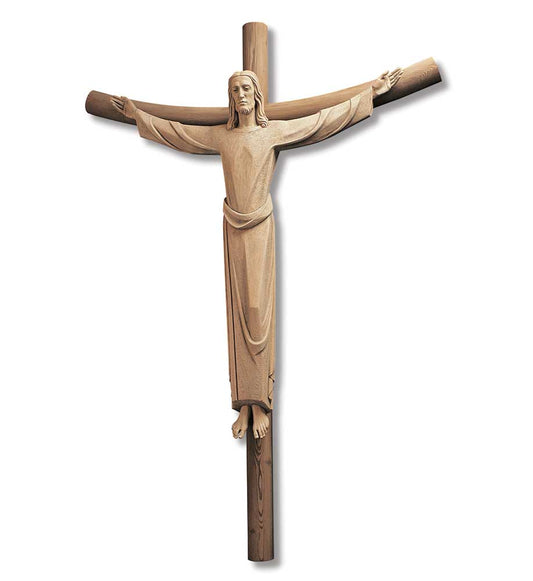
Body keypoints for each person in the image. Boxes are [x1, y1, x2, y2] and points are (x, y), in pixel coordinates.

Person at [111, 67, 402, 439]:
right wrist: (138, 115)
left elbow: (321, 122)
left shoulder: (273, 132)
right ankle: (244, 404)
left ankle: (260, 401)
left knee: (257, 311)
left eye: (246, 88)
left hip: (259, 229)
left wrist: (369, 95)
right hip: (233, 229)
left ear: (257, 94)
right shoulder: (222, 136)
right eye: (234, 90)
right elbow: (178, 134)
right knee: (238, 314)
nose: (240, 95)